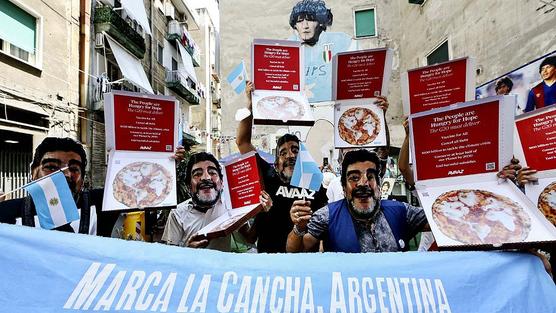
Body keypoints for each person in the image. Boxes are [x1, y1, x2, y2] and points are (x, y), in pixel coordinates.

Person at [236, 81, 330, 252]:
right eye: (283, 152)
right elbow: (243, 143)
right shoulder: (268, 175)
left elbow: (324, 231)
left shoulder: (315, 185)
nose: (290, 156)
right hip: (270, 265)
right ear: (276, 162)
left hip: (303, 266)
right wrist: (250, 105)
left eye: (295, 150)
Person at [286, 149, 428, 253]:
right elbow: (295, 251)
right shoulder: (327, 216)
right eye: (354, 178)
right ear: (343, 188)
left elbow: (439, 220)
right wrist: (299, 228)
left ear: (379, 186)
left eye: (370, 176)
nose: (363, 183)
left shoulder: (401, 211)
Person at [0, 137, 119, 236]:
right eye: (51, 167)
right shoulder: (6, 214)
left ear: (82, 179)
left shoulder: (102, 204)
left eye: (73, 169)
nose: (66, 174)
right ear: (33, 173)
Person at [161, 152, 273, 250]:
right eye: (197, 174)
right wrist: (188, 250)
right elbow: (169, 257)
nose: (206, 178)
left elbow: (249, 239)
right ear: (189, 186)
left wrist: (261, 211)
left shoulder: (230, 208)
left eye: (212, 173)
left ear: (222, 182)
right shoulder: (177, 214)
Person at [288, 0, 356, 102]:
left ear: (320, 22)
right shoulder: (286, 47)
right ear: (295, 25)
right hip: (297, 113)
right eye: (300, 21)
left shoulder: (342, 41)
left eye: (310, 20)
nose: (305, 25)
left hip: (333, 110)